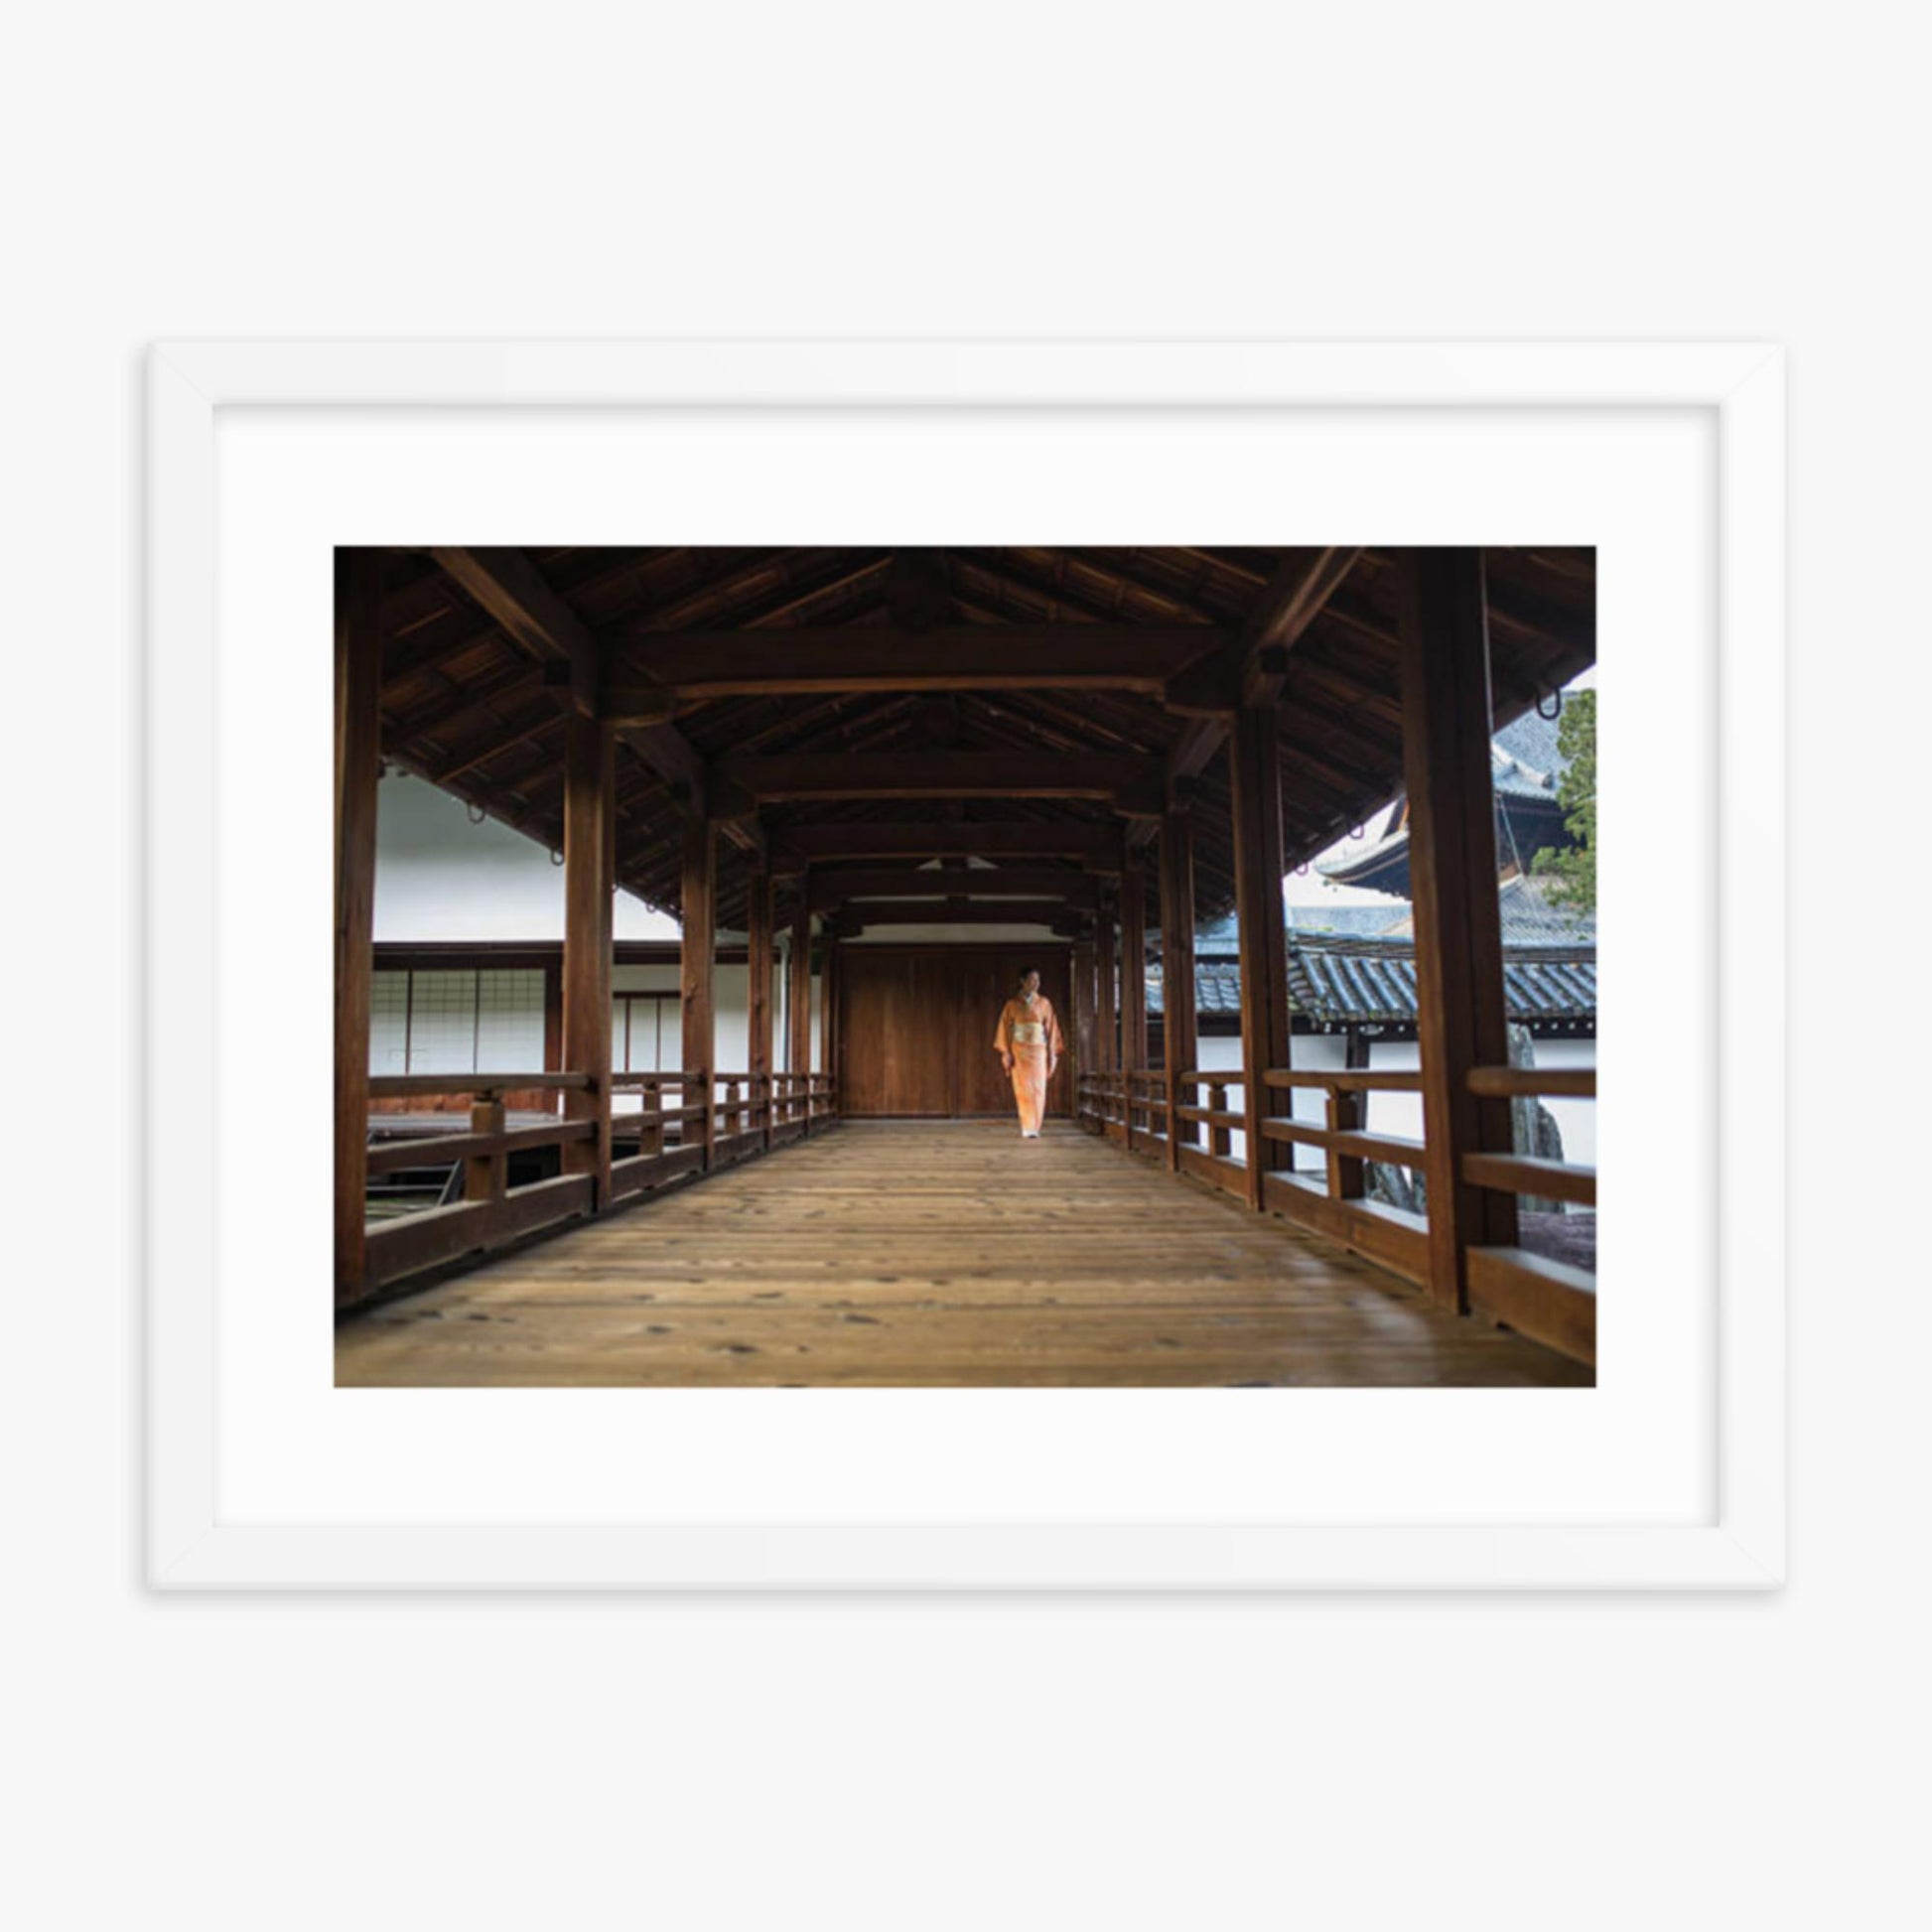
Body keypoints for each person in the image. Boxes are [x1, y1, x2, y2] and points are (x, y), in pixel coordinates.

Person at [993, 967, 1064, 1139]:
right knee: (1022, 1089)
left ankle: (1036, 1126)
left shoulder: (1044, 1003)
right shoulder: (1012, 1004)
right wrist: (1006, 1052)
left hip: (1038, 1050)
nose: (1035, 984)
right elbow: (1004, 1029)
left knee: (1039, 1088)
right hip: (1019, 1050)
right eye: (1032, 980)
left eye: (1037, 981)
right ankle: (1027, 1127)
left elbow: (1051, 1029)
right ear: (1022, 981)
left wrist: (1052, 1052)